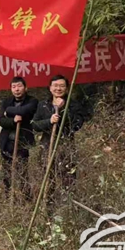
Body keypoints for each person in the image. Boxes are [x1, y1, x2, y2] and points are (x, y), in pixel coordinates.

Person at [32, 74, 87, 202]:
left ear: (67, 88)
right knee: (47, 179)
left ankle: (68, 206)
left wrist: (61, 110)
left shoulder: (72, 104)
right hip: (47, 146)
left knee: (68, 180)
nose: (58, 88)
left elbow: (76, 125)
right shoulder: (43, 105)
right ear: (50, 88)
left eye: (62, 86)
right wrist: (49, 121)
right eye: (55, 86)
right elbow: (35, 125)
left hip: (66, 145)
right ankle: (47, 206)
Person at [0, 76, 38, 200]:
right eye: (14, 87)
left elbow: (25, 110)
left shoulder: (32, 101)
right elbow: (1, 120)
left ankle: (26, 199)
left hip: (22, 142)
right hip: (7, 142)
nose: (17, 89)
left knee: (22, 171)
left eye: (19, 86)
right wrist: (13, 121)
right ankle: (9, 197)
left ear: (26, 88)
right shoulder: (6, 101)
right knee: (7, 172)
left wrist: (9, 111)